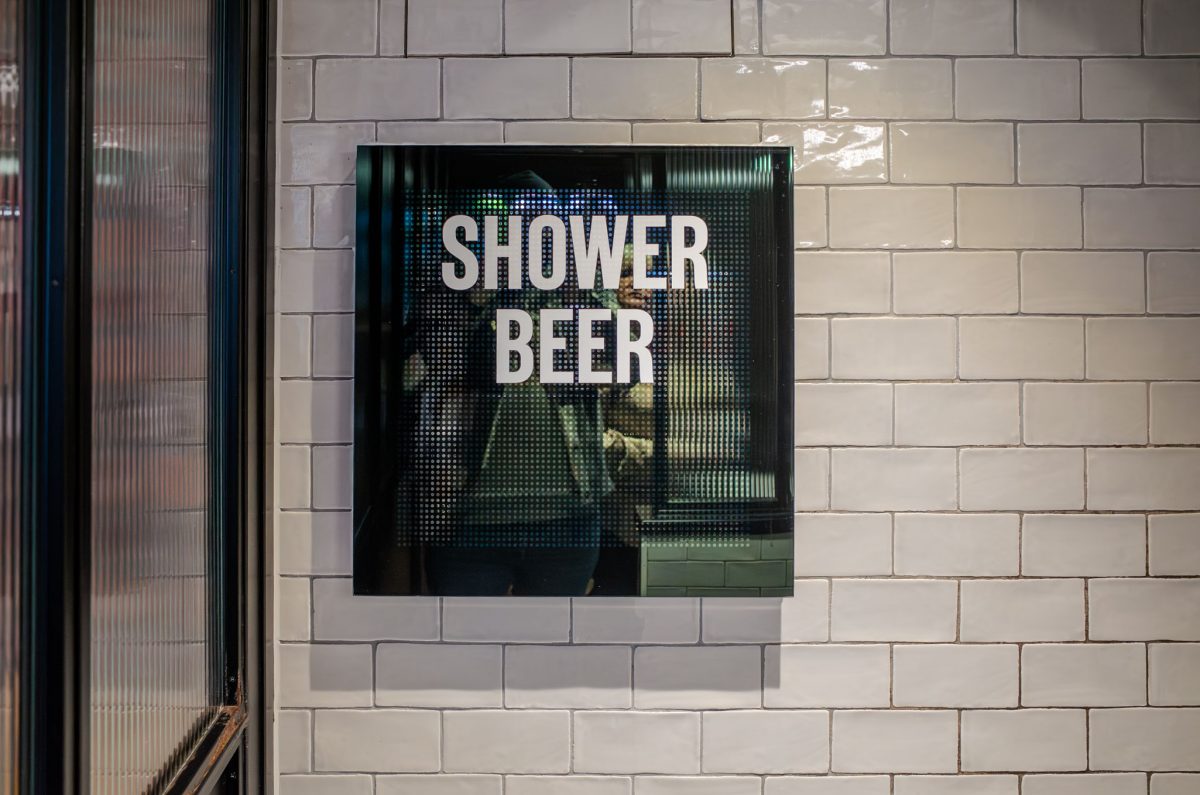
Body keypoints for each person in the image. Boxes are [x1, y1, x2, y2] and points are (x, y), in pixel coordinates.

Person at [414, 171, 647, 596]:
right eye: (518, 225)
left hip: (567, 517)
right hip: (469, 518)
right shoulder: (456, 285)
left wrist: (582, 295)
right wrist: (481, 290)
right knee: (463, 647)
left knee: (554, 649)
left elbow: (626, 371)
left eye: (542, 226)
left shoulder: (581, 288)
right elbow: (435, 363)